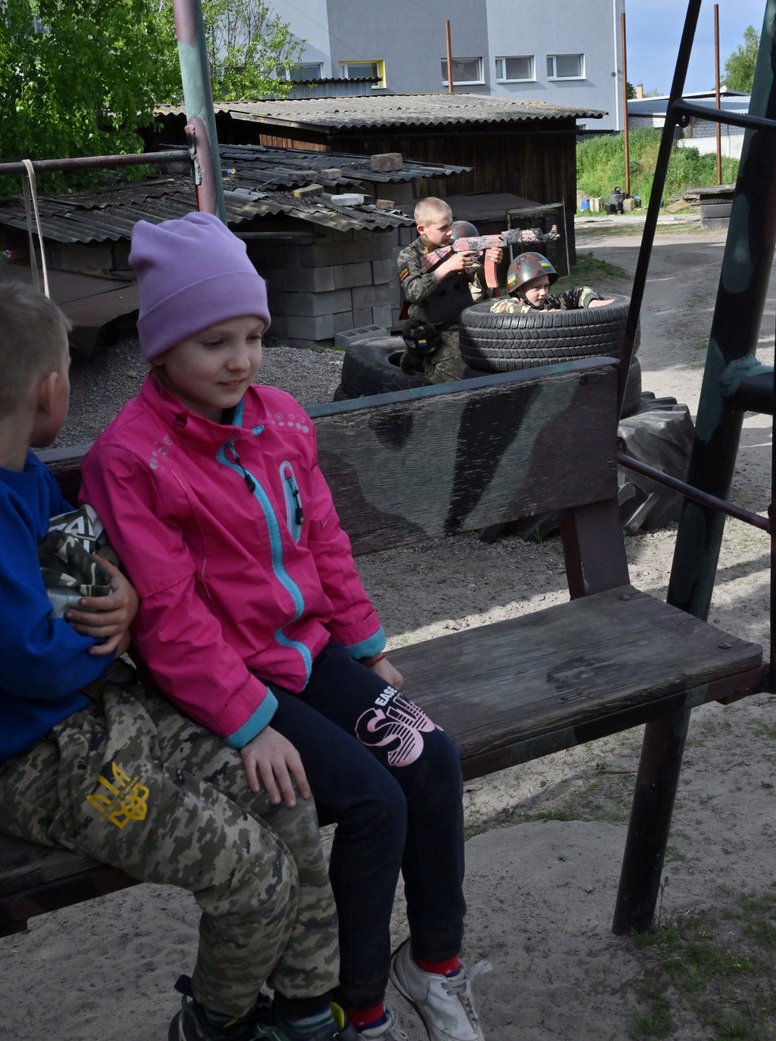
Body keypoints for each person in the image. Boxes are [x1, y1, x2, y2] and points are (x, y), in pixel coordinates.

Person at [83, 212, 488, 1041]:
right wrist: (249, 723)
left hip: (310, 654)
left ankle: (433, 962)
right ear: (161, 347)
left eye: (252, 336)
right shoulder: (133, 457)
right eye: (213, 342)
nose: (239, 360)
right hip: (230, 685)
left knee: (431, 755)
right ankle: (360, 1006)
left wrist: (366, 645)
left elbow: (324, 540)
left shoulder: (279, 419)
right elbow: (167, 613)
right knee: (373, 800)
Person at [0, 281, 345, 1041]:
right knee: (254, 874)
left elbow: (88, 595)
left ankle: (306, 1006)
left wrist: (127, 607)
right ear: (50, 389)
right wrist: (110, 624)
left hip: (105, 716)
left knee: (286, 793)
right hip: (38, 766)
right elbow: (36, 661)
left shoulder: (23, 476)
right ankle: (215, 1022)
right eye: (69, 372)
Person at [395, 198, 500, 384]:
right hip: (434, 331)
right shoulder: (410, 255)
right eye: (443, 228)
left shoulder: (455, 247)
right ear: (422, 229)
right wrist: (444, 270)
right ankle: (417, 360)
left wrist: (489, 263)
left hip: (463, 323)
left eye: (451, 224)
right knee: (455, 379)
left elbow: (479, 286)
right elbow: (412, 291)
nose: (450, 231)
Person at [489, 252, 616, 313]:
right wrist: (537, 315)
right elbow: (499, 307)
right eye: (536, 287)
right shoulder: (513, 304)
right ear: (518, 290)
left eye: (546, 286)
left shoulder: (549, 303)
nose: (543, 292)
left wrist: (592, 302)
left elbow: (579, 292)